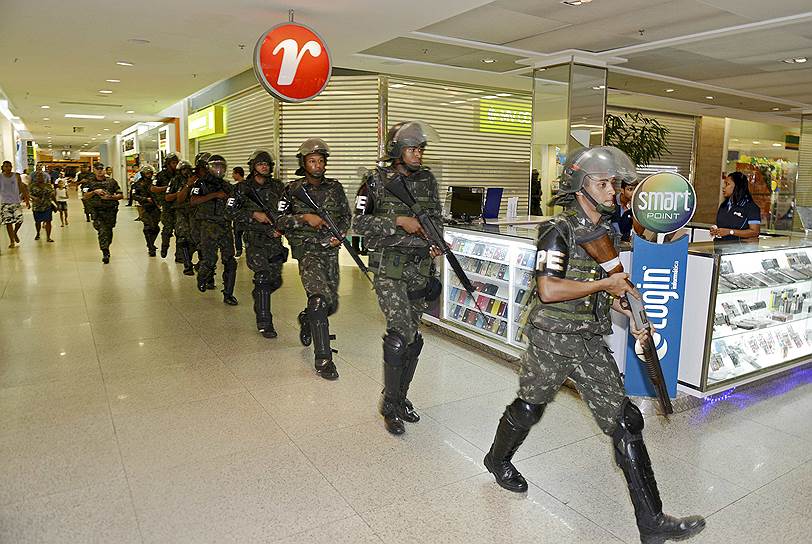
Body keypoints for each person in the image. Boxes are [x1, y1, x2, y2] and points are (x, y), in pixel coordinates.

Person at [482, 146, 705, 544]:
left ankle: (652, 523)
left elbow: (606, 289)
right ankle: (497, 459)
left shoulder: (604, 233)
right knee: (530, 408)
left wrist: (628, 308)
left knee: (626, 423)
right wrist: (606, 284)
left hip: (586, 339)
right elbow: (548, 289)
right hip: (550, 338)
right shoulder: (558, 230)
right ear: (579, 186)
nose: (612, 191)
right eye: (603, 183)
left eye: (615, 184)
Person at [353, 121, 444, 435]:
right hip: (388, 269)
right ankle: (389, 405)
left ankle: (400, 397)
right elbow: (359, 224)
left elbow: (435, 218)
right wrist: (397, 221)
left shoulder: (428, 180)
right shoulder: (375, 182)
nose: (418, 153)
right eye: (412, 148)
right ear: (396, 151)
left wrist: (437, 244)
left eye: (420, 148)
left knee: (413, 339)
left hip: (419, 268)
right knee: (399, 334)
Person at [277, 139, 350, 380]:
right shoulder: (292, 189)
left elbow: (346, 216)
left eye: (320, 161)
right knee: (318, 299)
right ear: (304, 163)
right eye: (312, 161)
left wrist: (340, 235)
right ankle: (323, 358)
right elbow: (280, 221)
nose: (317, 165)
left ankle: (306, 318)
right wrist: (305, 218)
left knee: (331, 304)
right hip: (307, 249)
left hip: (330, 249)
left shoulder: (335, 187)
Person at [226, 150, 287, 337]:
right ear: (253, 166)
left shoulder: (278, 186)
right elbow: (229, 212)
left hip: (275, 238)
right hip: (255, 239)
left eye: (267, 164)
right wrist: (253, 215)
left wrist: (283, 226)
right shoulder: (241, 188)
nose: (264, 167)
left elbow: (288, 208)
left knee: (275, 280)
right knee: (262, 277)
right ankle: (264, 322)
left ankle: (260, 296)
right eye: (261, 164)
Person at [190, 153, 238, 305]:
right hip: (208, 225)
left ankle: (228, 293)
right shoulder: (200, 184)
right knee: (210, 260)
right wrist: (214, 195)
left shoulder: (226, 185)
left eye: (221, 166)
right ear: (209, 168)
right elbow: (193, 201)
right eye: (215, 166)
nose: (218, 169)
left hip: (225, 225)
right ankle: (202, 276)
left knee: (230, 260)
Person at [81, 162, 123, 263]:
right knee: (102, 230)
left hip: (110, 211)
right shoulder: (89, 183)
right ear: (94, 170)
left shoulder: (111, 182)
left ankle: (106, 246)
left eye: (101, 169)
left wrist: (110, 197)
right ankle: (105, 252)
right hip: (97, 211)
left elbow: (120, 195)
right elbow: (85, 196)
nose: (100, 171)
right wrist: (94, 191)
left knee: (108, 231)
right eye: (97, 169)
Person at [166, 160, 197, 275]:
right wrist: (185, 187)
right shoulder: (174, 181)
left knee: (196, 238)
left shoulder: (197, 180)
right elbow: (168, 197)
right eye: (183, 169)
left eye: (188, 169)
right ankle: (187, 265)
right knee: (183, 237)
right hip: (180, 211)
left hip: (195, 211)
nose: (186, 172)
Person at [710, 171, 761, 241]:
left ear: (737, 186)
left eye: (727, 184)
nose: (723, 187)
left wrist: (730, 232)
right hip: (720, 247)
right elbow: (723, 226)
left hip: (738, 249)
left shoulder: (751, 207)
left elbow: (755, 232)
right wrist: (716, 230)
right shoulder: (724, 205)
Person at [151, 153, 180, 259]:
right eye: (173, 163)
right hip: (167, 206)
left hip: (179, 206)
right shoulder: (160, 175)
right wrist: (168, 188)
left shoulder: (179, 174)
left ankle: (179, 255)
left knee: (180, 231)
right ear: (167, 163)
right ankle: (164, 247)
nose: (176, 165)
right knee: (167, 229)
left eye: (177, 162)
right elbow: (153, 188)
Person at [132, 165, 161, 256]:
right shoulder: (137, 184)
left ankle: (150, 243)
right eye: (147, 173)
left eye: (150, 173)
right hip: (144, 207)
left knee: (156, 228)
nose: (149, 175)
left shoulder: (155, 183)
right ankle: (151, 247)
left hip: (155, 207)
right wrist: (145, 199)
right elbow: (134, 195)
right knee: (147, 227)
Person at [1, 160, 30, 248]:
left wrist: (27, 199)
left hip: (16, 201)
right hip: (4, 202)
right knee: (8, 222)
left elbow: (22, 187)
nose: (8, 168)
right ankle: (12, 241)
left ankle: (15, 232)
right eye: (6, 166)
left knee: (20, 220)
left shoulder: (16, 176)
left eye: (9, 166)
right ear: (3, 167)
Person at [29, 171, 57, 242]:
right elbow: (28, 194)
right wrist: (34, 198)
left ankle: (48, 237)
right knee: (37, 222)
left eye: (42, 176)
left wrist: (57, 204)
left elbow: (52, 195)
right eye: (38, 176)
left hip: (47, 206)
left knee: (48, 221)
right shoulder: (32, 186)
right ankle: (38, 233)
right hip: (37, 206)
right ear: (35, 178)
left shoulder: (48, 185)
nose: (40, 178)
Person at [231, 166, 246, 258]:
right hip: (245, 214)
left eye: (233, 173)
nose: (232, 176)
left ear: (237, 174)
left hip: (240, 214)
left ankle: (239, 251)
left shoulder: (236, 187)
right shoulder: (249, 185)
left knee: (238, 233)